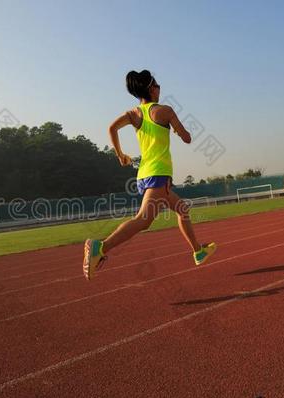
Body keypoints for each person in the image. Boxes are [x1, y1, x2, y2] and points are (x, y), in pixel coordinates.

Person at [83, 70, 216, 280]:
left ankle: (198, 250)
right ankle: (101, 247)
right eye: (158, 85)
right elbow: (188, 138)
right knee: (144, 220)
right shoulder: (165, 111)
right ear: (152, 88)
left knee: (182, 209)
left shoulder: (133, 114)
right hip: (159, 174)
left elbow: (112, 128)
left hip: (144, 175)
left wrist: (121, 155)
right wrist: (179, 130)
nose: (160, 89)